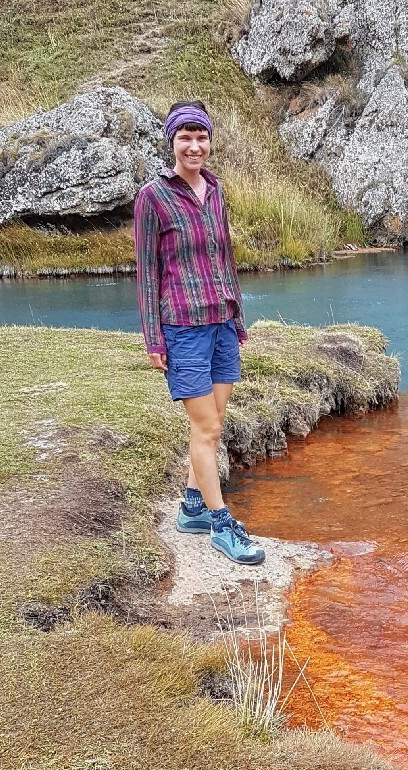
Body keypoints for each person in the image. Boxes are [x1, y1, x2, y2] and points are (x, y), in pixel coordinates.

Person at [134, 100, 265, 565]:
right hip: (183, 327)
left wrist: (238, 317)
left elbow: (225, 258)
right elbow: (148, 274)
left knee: (214, 424)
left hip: (222, 322)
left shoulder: (216, 189)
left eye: (201, 137)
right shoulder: (153, 198)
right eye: (185, 137)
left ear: (209, 141)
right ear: (172, 142)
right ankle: (222, 526)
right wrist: (153, 338)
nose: (194, 146)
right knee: (205, 427)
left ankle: (191, 508)